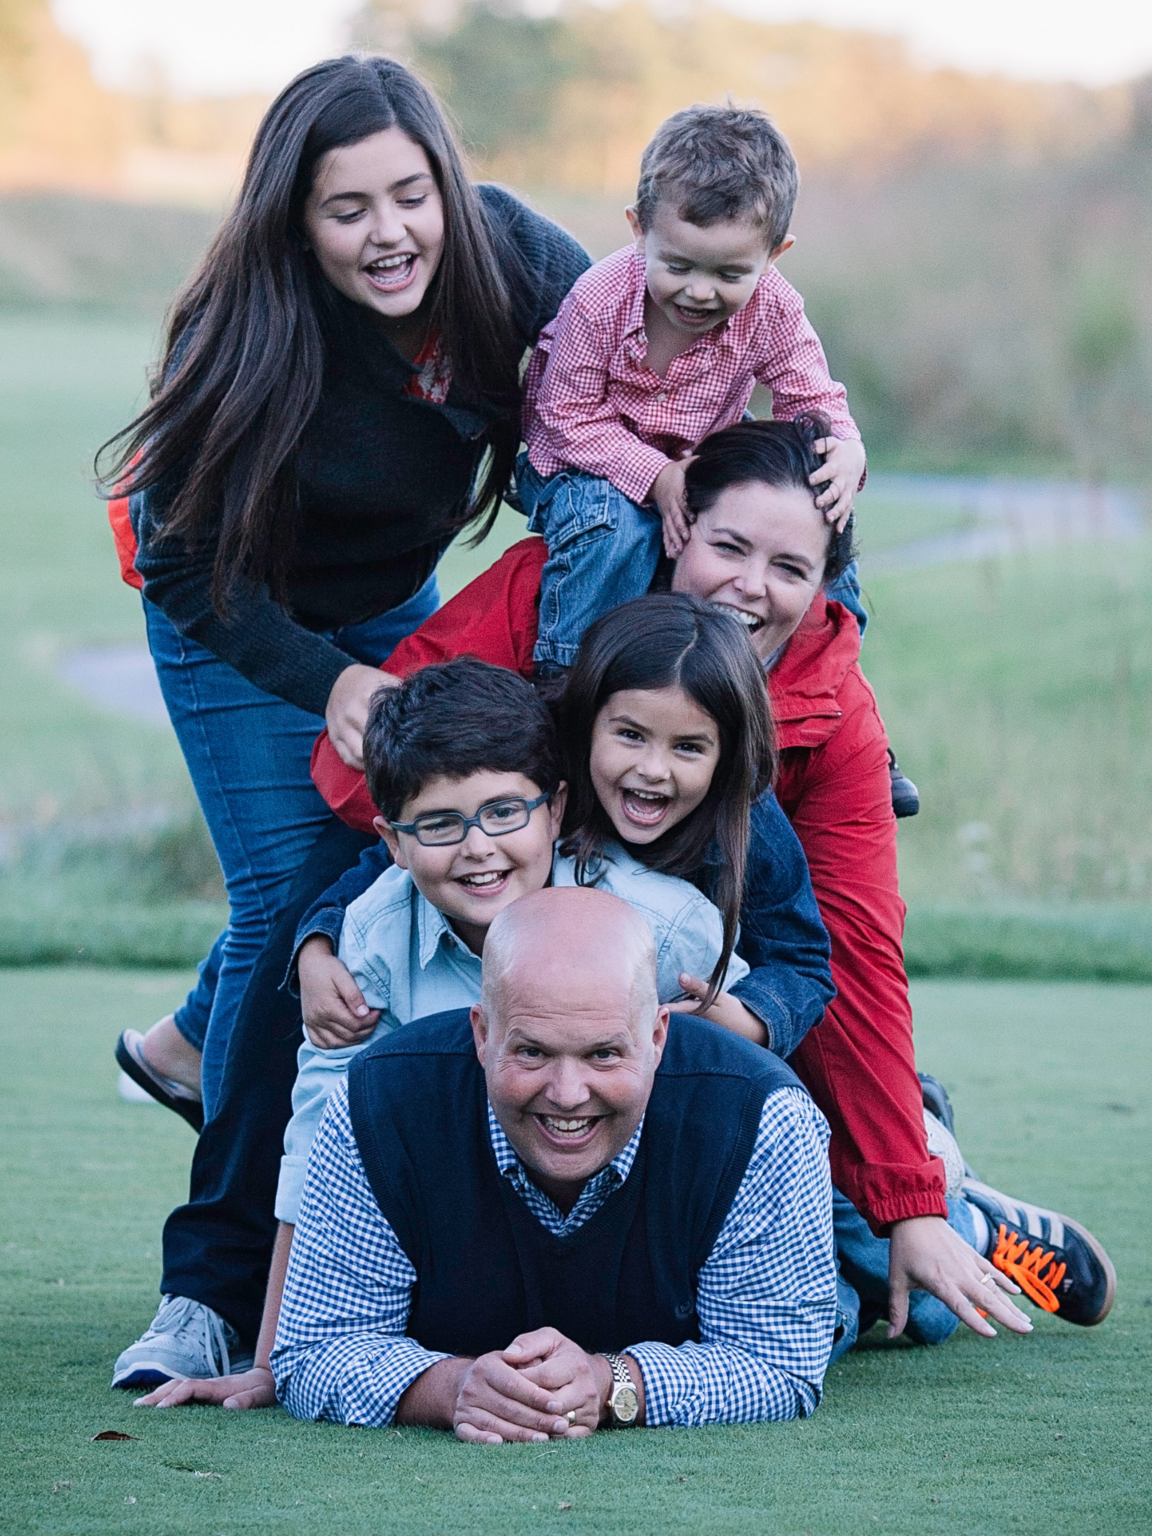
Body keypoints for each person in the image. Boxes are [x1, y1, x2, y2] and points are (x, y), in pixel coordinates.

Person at [310, 416, 1116, 1344]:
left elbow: (828, 958)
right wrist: (321, 933)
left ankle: (952, 1196)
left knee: (922, 1303)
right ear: (679, 524)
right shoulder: (557, 675)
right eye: (729, 545)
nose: (654, 770)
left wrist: (893, 1179)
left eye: (790, 568)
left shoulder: (749, 806)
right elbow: (417, 819)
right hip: (606, 1058)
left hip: (726, 1050)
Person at [103, 52, 589, 1373]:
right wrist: (328, 685)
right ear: (295, 221)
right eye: (348, 208)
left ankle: (197, 1042)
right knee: (289, 899)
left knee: (390, 859)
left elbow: (657, 375)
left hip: (391, 594)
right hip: (237, 607)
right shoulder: (246, 327)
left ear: (447, 180)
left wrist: (818, 442)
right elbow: (181, 560)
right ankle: (209, 1287)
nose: (391, 234)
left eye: (409, 194)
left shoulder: (511, 258)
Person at [129, 601, 834, 1405]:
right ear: (389, 845)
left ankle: (927, 1164)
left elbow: (746, 1094)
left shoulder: (659, 921)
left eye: (504, 814)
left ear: (558, 810)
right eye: (438, 826)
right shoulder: (372, 943)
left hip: (646, 1216)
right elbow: (318, 1142)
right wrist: (272, 1358)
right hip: (494, 1222)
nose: (477, 849)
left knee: (843, 1264)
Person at [272, 886, 839, 1435]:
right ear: (483, 1033)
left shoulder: (760, 1116)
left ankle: (922, 1125)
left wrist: (610, 1382)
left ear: (658, 1036)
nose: (568, 1093)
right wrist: (454, 1388)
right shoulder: (378, 1102)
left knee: (900, 1309)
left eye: (603, 1054)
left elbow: (779, 1363)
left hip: (772, 1249)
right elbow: (314, 1350)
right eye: (533, 1051)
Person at [517, 103, 867, 679]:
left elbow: (813, 400)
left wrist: (845, 449)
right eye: (678, 266)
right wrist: (653, 475)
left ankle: (835, 693)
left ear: (774, 255)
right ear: (639, 230)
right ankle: (570, 680)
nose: (700, 292)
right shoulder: (597, 299)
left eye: (729, 275)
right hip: (582, 469)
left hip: (700, 466)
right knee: (615, 530)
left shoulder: (774, 306)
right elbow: (563, 418)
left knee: (815, 527)